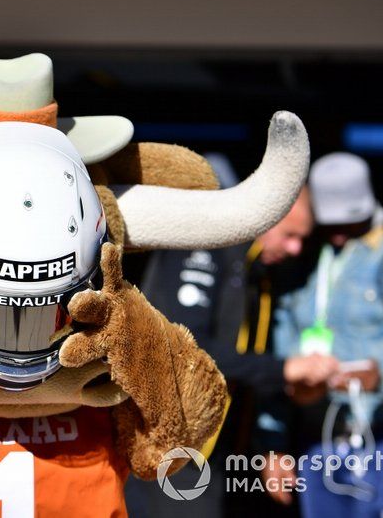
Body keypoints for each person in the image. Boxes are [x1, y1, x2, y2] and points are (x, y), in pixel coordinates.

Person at [125, 155, 337, 518]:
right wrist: (284, 370)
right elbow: (184, 345)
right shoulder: (205, 246)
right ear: (267, 218)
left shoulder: (259, 271)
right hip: (167, 450)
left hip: (221, 454)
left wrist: (270, 446)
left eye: (302, 240)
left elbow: (251, 356)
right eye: (290, 236)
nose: (295, 250)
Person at [264, 152, 383, 517]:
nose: (338, 232)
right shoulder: (301, 264)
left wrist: (382, 376)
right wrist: (273, 445)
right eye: (330, 222)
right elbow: (277, 362)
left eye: (350, 222)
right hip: (316, 441)